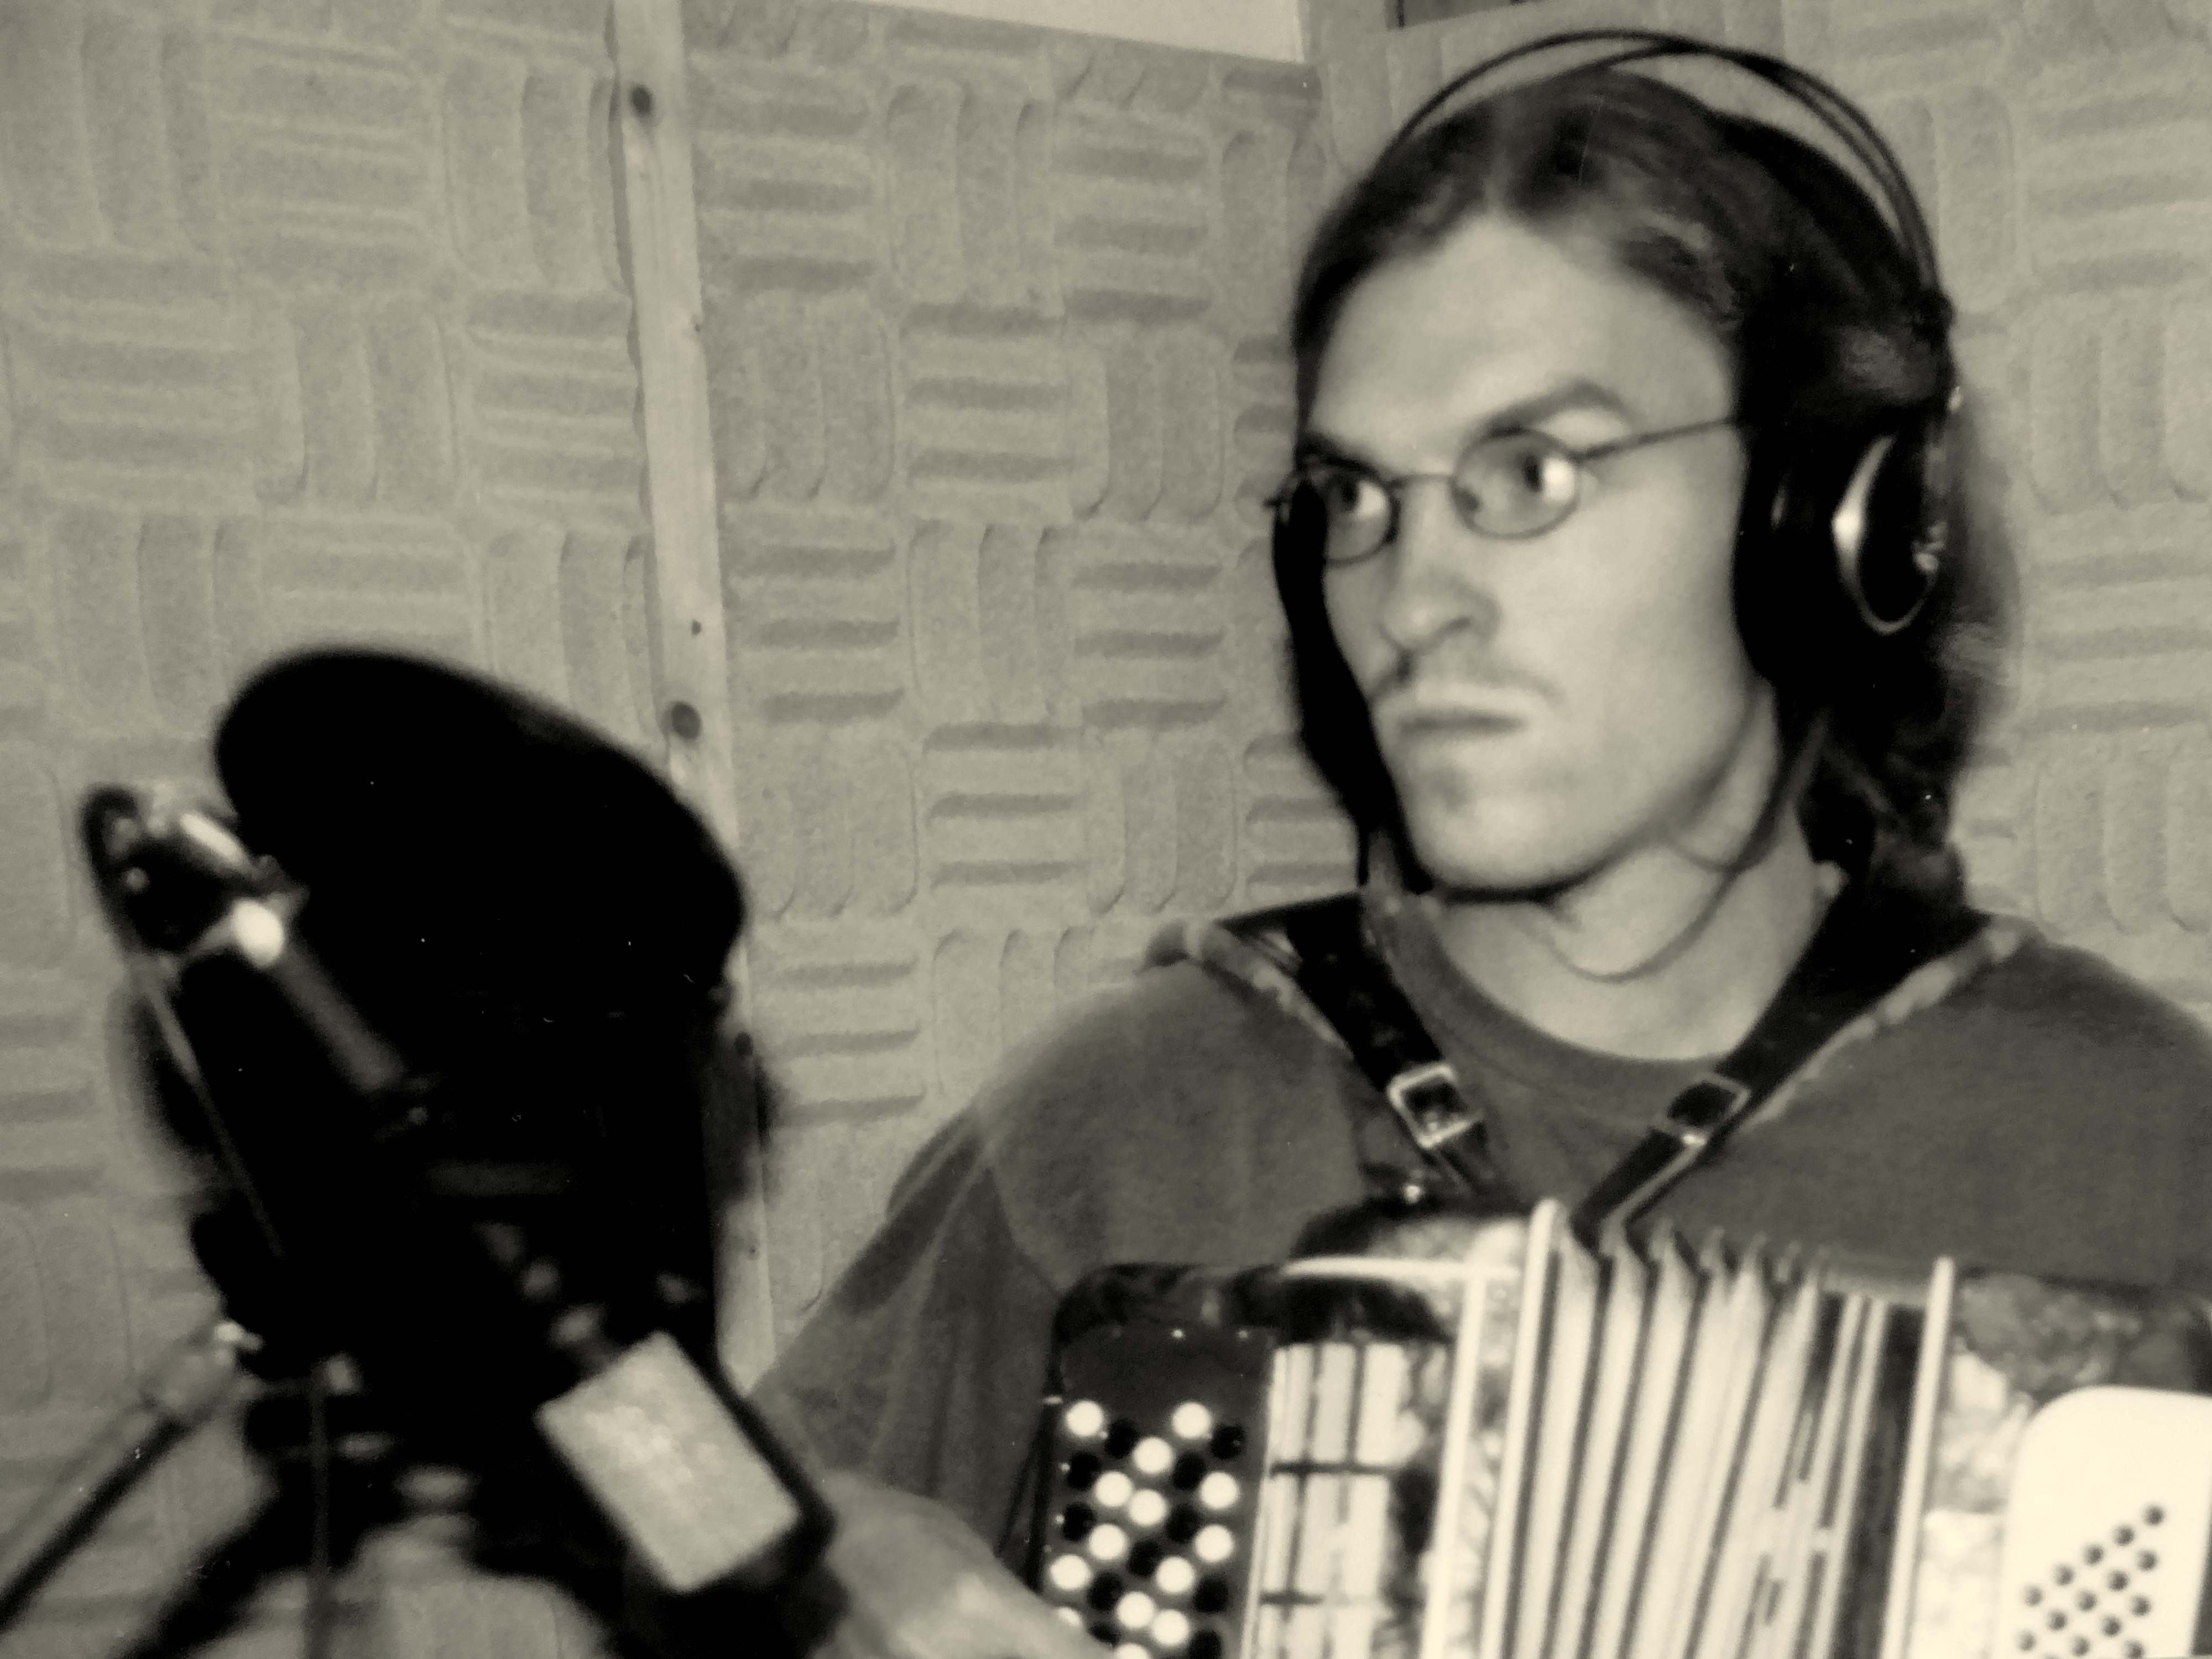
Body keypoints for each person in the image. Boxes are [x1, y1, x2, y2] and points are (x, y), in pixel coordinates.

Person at [749, 35, 2212, 1648]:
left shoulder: (2150, 1150)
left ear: (1831, 524)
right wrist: (843, 1571)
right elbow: (723, 1531)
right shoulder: (1129, 1120)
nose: (1413, 600)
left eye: (1531, 470)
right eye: (1356, 500)